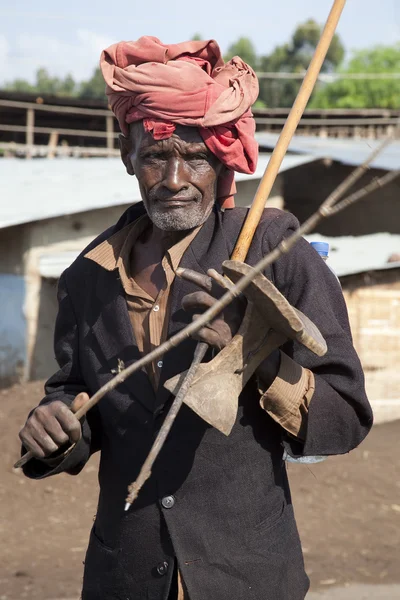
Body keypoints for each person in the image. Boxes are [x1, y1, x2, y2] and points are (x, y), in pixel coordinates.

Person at [19, 37, 373, 600]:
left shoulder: (272, 249)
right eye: (157, 156)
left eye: (198, 157)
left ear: (223, 157)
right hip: (124, 577)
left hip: (248, 577)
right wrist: (57, 426)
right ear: (126, 153)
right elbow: (76, 395)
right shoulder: (88, 275)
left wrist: (253, 356)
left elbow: (346, 418)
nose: (176, 179)